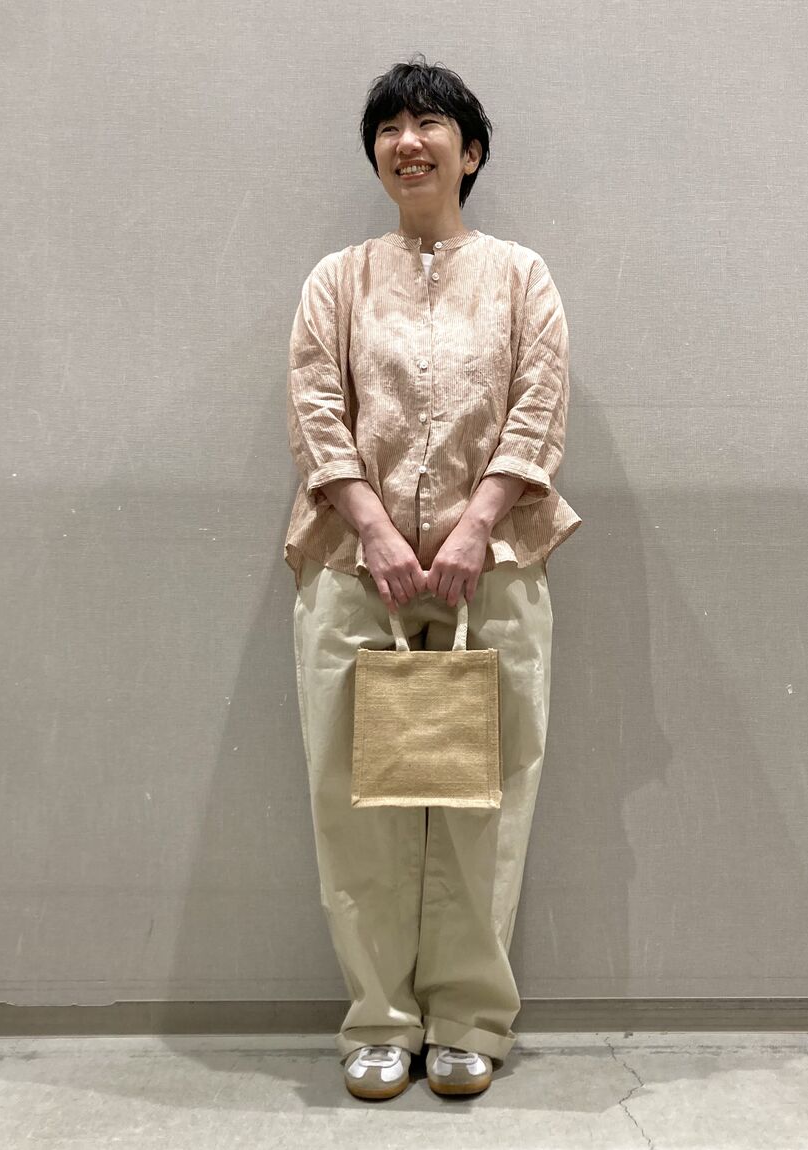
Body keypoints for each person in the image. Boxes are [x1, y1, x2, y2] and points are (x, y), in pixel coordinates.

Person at [285, 54, 580, 1101]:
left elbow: (539, 403)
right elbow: (315, 407)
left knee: (483, 797)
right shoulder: (337, 281)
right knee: (352, 798)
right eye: (388, 128)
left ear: (471, 151)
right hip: (350, 565)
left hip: (491, 567)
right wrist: (371, 527)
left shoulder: (521, 277)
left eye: (428, 124)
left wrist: (474, 526)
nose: (407, 142)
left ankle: (468, 1017)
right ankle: (378, 1017)